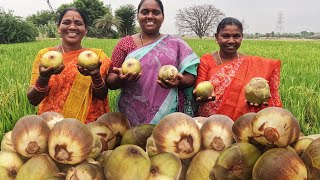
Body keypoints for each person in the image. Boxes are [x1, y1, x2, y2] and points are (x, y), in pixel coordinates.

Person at [106, 0, 200, 126]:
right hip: (131, 115)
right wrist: (121, 79)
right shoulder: (125, 44)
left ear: (162, 17)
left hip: (169, 115)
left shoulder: (176, 44)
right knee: (133, 144)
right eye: (145, 12)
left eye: (155, 12)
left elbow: (191, 77)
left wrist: (180, 81)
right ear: (138, 16)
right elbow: (110, 80)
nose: (150, 16)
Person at [27, 8, 111, 124]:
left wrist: (96, 76)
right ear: (58, 28)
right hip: (53, 125)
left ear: (85, 30)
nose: (72, 27)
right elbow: (33, 100)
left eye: (78, 23)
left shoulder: (97, 57)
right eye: (66, 22)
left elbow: (102, 96)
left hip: (89, 127)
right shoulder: (44, 56)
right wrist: (43, 78)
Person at [195, 17, 282, 121]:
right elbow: (199, 87)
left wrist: (257, 99)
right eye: (225, 36)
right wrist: (200, 95)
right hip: (210, 121)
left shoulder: (249, 63)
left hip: (240, 121)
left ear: (242, 37)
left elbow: (257, 92)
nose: (231, 41)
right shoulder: (207, 60)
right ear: (216, 37)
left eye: (236, 36)